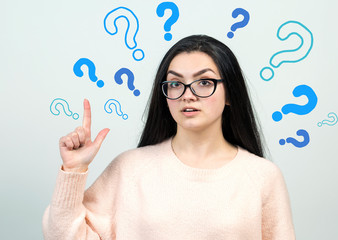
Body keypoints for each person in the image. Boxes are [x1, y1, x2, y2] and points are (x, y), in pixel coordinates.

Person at [42, 35, 295, 239]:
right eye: (175, 83)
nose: (188, 94)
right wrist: (73, 171)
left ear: (230, 94)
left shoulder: (263, 176)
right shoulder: (129, 168)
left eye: (204, 82)